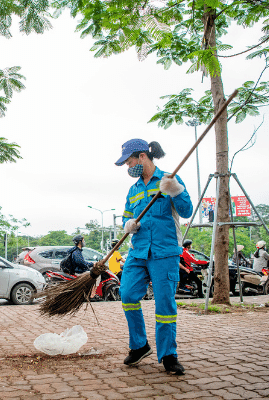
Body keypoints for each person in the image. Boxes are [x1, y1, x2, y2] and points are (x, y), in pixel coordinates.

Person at [115, 138, 192, 375]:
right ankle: (140, 345)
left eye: (129, 162)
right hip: (138, 251)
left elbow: (187, 211)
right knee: (127, 294)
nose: (128, 167)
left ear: (142, 157)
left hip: (164, 252)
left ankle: (169, 355)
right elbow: (127, 217)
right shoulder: (134, 189)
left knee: (164, 305)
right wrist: (128, 225)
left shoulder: (169, 179)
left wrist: (176, 191)